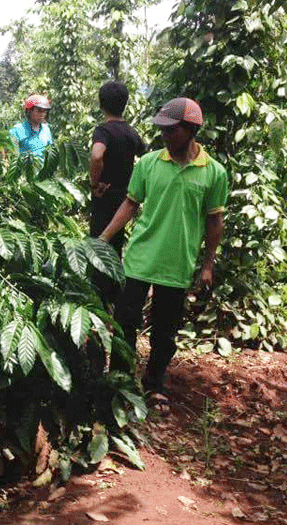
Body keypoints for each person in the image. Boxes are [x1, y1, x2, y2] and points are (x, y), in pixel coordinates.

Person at [98, 97, 228, 393]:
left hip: (176, 263)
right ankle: (119, 383)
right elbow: (130, 204)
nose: (164, 136)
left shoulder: (213, 173)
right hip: (140, 258)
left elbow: (214, 221)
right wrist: (103, 239)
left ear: (191, 129)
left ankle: (154, 381)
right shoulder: (148, 163)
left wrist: (208, 265)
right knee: (124, 323)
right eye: (162, 130)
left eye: (171, 131)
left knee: (165, 333)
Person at [88, 81, 146, 309]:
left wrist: (95, 183)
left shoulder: (103, 130)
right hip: (125, 199)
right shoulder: (131, 132)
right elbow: (145, 154)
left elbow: (96, 155)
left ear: (101, 104)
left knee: (100, 243)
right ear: (125, 104)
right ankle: (114, 297)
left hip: (104, 195)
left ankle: (99, 299)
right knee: (116, 244)